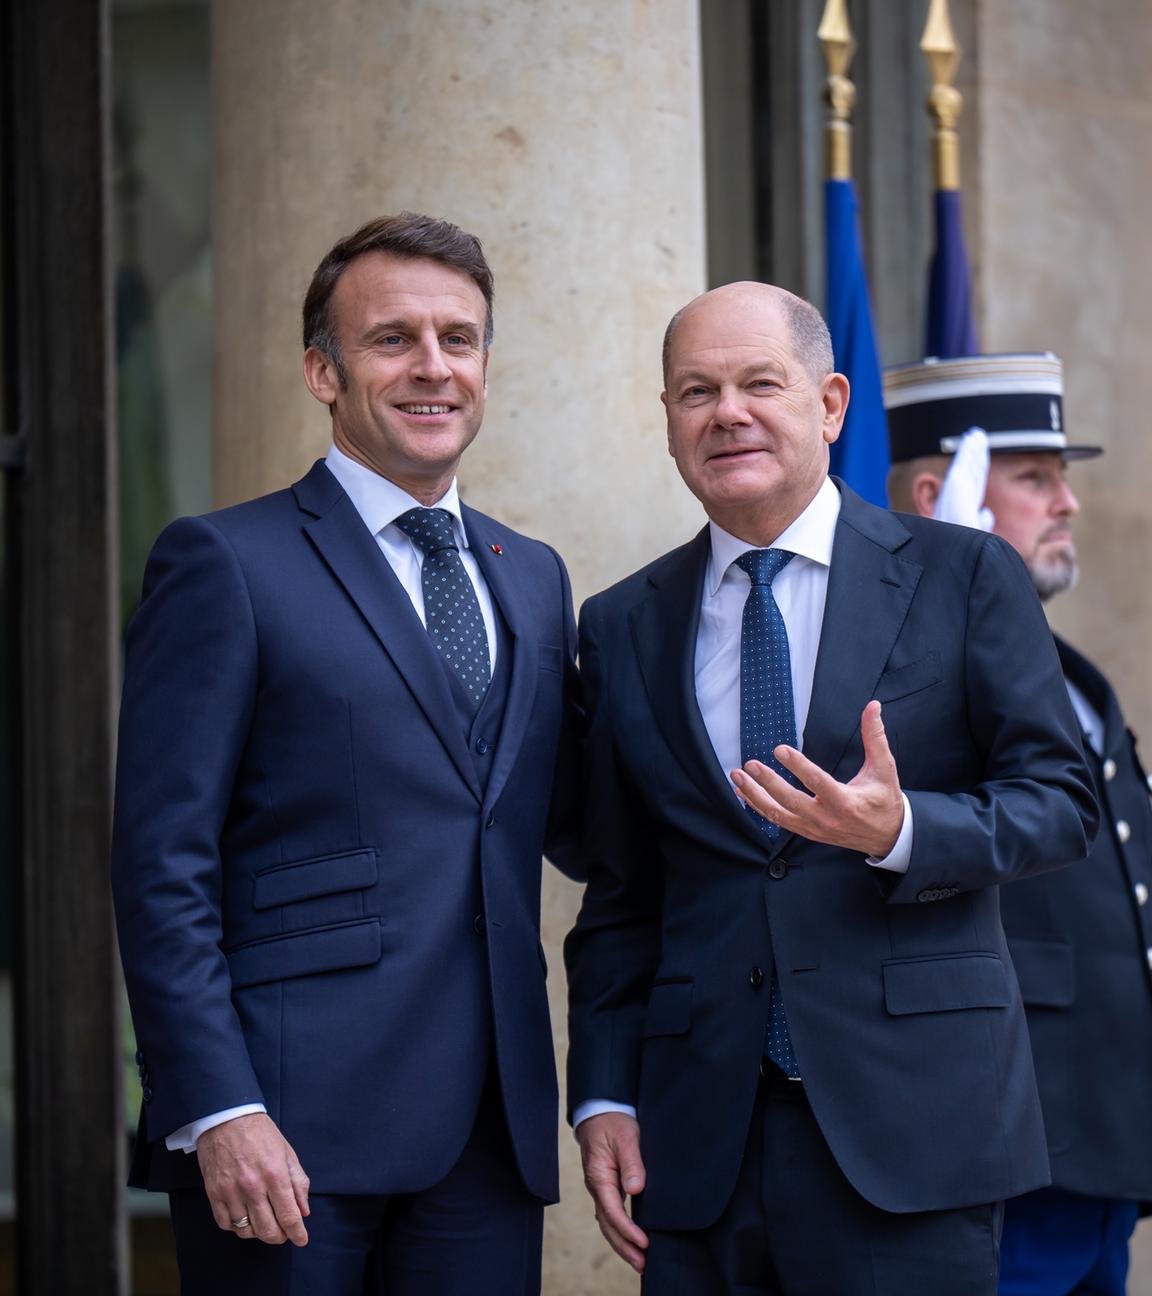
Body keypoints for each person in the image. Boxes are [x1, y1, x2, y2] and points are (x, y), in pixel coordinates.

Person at [564, 284, 1099, 1294]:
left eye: (759, 382)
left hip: (914, 1137)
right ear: (669, 422)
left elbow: (1062, 801)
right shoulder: (623, 623)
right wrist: (601, 1097)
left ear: (830, 404)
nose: (727, 412)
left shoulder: (967, 574)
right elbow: (624, 897)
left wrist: (902, 830)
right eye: (695, 391)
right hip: (698, 1150)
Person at [111, 212, 582, 1295]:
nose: (433, 368)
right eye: (393, 340)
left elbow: (569, 818)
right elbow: (160, 864)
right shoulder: (224, 562)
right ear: (322, 371)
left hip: (489, 1134)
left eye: (459, 339)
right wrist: (217, 1108)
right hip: (286, 1132)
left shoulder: (533, 576)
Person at [885, 351, 1152, 1296]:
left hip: (1106, 1141)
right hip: (1011, 1139)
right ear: (940, 492)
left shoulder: (1071, 674)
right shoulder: (905, 660)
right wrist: (943, 589)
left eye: (1063, 479)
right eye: (1034, 479)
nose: (1067, 503)